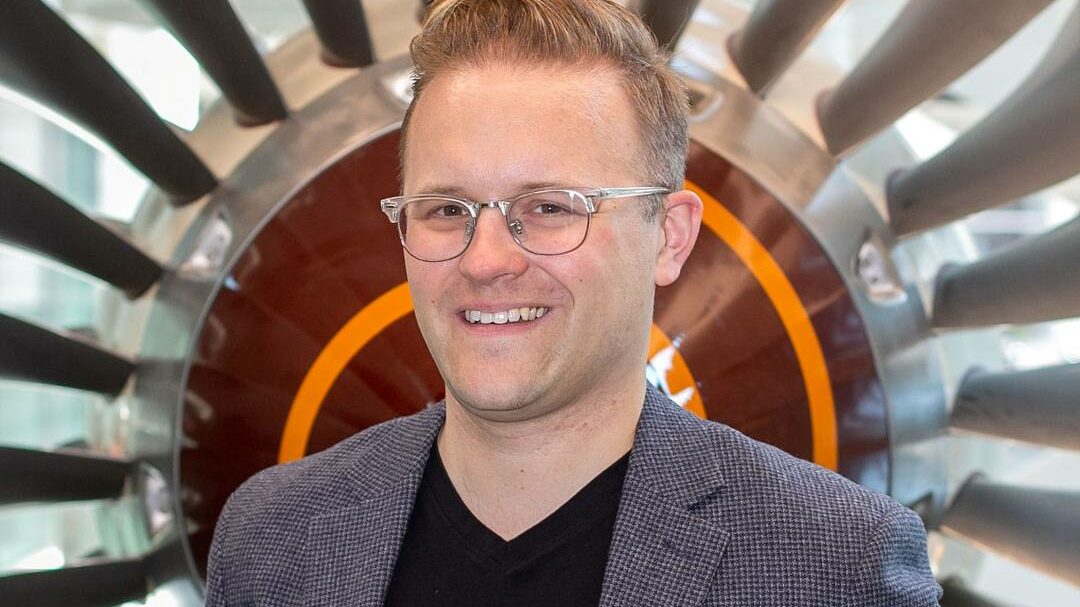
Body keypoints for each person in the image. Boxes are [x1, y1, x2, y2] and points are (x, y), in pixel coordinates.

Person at [204, 1, 942, 605]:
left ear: (671, 237)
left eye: (553, 207)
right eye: (446, 210)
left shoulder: (838, 568)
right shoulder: (270, 540)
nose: (487, 259)